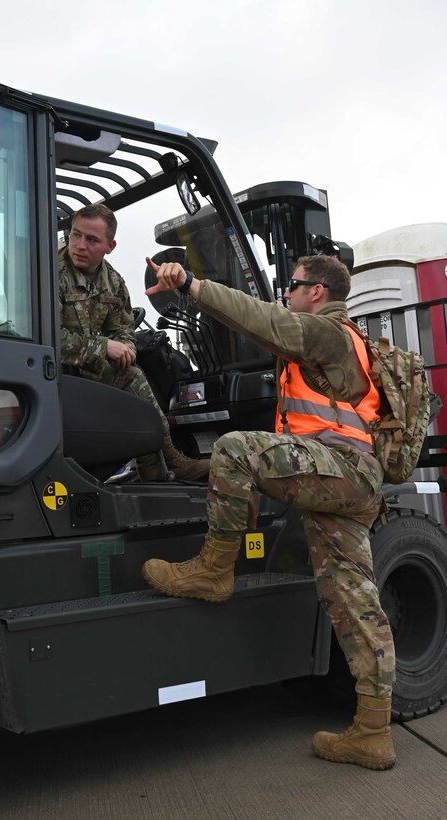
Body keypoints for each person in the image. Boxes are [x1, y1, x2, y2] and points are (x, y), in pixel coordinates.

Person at [141, 253, 396, 770]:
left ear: (318, 292)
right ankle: (373, 733)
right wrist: (199, 469)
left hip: (340, 469)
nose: (287, 293)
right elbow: (295, 441)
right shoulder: (343, 347)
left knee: (237, 448)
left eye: (294, 285)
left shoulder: (329, 333)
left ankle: (214, 571)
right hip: (348, 479)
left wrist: (192, 283)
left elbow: (263, 319)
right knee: (355, 602)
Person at [59, 204, 209, 482]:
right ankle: (165, 463)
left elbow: (123, 327)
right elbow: (48, 337)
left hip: (89, 371)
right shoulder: (50, 273)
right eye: (75, 235)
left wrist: (125, 347)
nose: (80, 245)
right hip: (53, 372)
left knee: (136, 369)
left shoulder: (113, 282)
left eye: (92, 240)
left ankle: (158, 466)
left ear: (110, 246)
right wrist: (103, 347)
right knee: (133, 377)